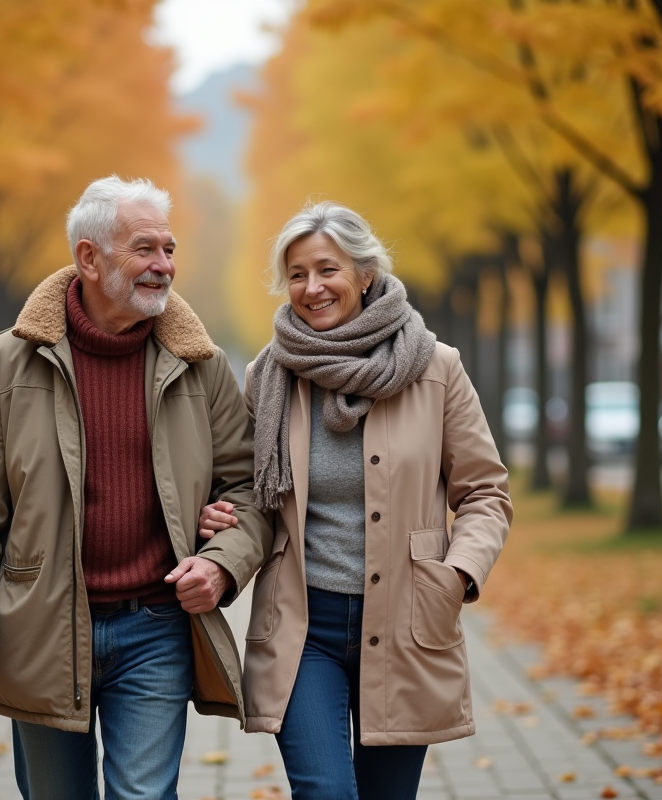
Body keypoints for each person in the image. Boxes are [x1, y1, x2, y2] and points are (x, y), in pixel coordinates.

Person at [0, 175, 270, 800]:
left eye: (169, 249)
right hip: (40, 624)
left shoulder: (202, 366)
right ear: (88, 258)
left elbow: (248, 489)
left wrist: (221, 566)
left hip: (157, 625)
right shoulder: (2, 364)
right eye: (145, 249)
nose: (164, 266)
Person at [200, 202, 513, 800]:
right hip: (302, 626)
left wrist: (458, 574)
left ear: (365, 274)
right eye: (297, 274)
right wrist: (225, 518)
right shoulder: (269, 376)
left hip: (407, 624)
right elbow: (252, 494)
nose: (312, 287)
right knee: (326, 792)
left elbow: (485, 493)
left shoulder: (435, 368)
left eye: (327, 269)